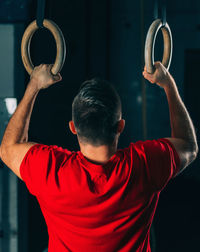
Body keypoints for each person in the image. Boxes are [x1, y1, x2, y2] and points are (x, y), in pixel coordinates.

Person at [0, 62, 198, 252]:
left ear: (72, 128)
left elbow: (8, 148)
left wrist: (33, 86)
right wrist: (168, 84)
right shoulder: (144, 164)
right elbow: (188, 145)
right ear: (120, 126)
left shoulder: (51, 170)